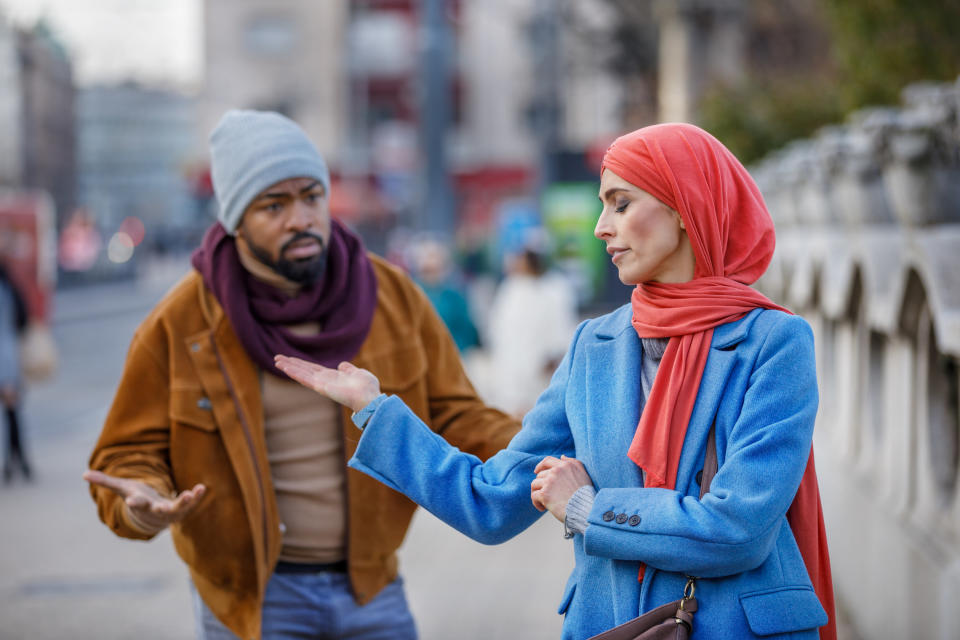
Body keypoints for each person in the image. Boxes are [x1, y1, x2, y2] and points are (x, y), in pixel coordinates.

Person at [276, 123, 837, 640]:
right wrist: (376, 411)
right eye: (602, 206)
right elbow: (490, 503)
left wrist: (587, 509)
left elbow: (739, 528)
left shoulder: (773, 342)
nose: (601, 227)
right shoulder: (594, 346)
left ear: (685, 208)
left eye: (621, 203)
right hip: (609, 625)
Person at [83, 110, 520, 640]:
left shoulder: (392, 296)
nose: (302, 218)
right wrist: (143, 503)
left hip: (371, 588)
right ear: (235, 219)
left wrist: (540, 449)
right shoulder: (181, 324)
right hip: (250, 602)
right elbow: (126, 455)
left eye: (312, 197)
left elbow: (458, 415)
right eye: (274, 204)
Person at [485, 234, 578, 416]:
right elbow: (498, 329)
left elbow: (562, 327)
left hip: (541, 373)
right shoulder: (511, 288)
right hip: (511, 373)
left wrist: (553, 356)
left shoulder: (556, 288)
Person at [0, 262, 30, 483]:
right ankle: (18, 463)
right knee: (12, 415)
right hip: (8, 357)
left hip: (5, 361)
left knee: (11, 413)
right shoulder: (8, 286)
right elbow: (22, 321)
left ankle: (15, 463)